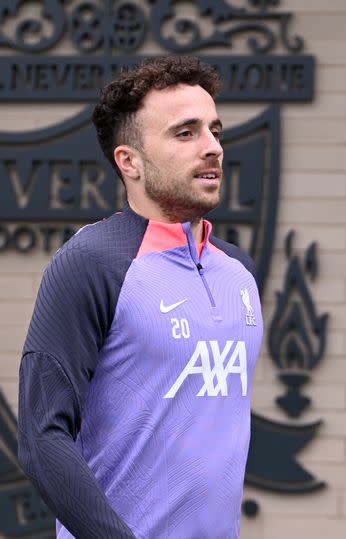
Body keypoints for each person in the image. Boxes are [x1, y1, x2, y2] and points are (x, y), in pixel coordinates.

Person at [17, 56, 262, 538]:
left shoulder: (240, 272)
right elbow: (41, 437)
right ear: (128, 161)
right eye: (185, 133)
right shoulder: (91, 262)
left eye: (215, 130)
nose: (212, 148)